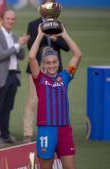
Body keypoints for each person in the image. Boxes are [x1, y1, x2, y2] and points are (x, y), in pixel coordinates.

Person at [29, 24, 82, 169]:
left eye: (54, 62)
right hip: (46, 130)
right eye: (48, 63)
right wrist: (40, 34)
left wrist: (64, 34)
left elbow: (78, 55)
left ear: (58, 63)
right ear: (43, 65)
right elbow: (31, 57)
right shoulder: (39, 78)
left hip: (65, 129)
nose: (51, 65)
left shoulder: (65, 76)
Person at [23, 0, 70, 143]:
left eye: (53, 7)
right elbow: (30, 47)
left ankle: (57, 129)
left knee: (57, 101)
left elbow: (67, 47)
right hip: (37, 68)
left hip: (55, 70)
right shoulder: (33, 24)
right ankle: (27, 134)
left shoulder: (59, 25)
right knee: (33, 101)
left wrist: (56, 39)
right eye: (48, 7)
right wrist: (41, 35)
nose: (50, 10)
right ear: (42, 9)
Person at [0, 10, 29, 147]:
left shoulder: (14, 36)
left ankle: (5, 135)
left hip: (13, 75)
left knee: (8, 107)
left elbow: (22, 56)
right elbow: (0, 55)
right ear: (2, 19)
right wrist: (18, 45)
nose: (11, 21)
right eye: (8, 18)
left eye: (13, 19)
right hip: (1, 76)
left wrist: (22, 44)